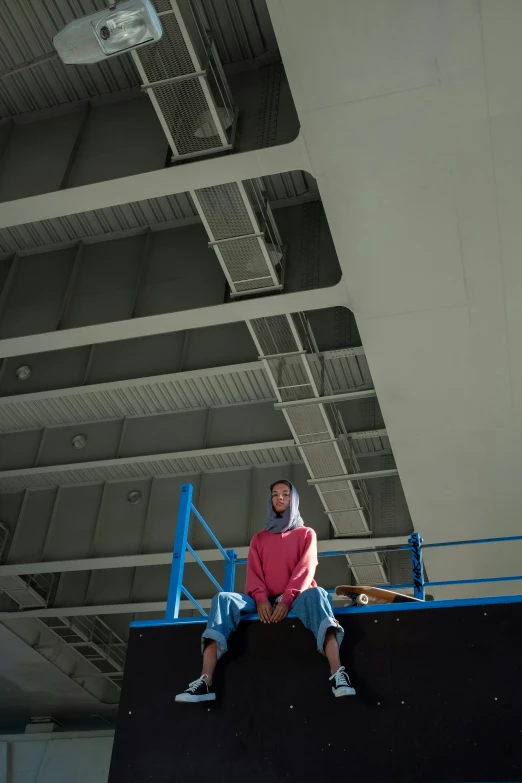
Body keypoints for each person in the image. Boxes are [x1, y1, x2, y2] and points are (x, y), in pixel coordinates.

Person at [175, 479, 356, 703]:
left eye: (285, 494)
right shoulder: (259, 539)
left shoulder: (306, 533)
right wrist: (261, 600)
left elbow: (306, 569)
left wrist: (287, 600)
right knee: (223, 599)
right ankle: (205, 681)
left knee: (318, 594)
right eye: (275, 494)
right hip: (261, 600)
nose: (279, 497)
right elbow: (253, 574)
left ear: (294, 500)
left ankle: (338, 674)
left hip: (297, 597)